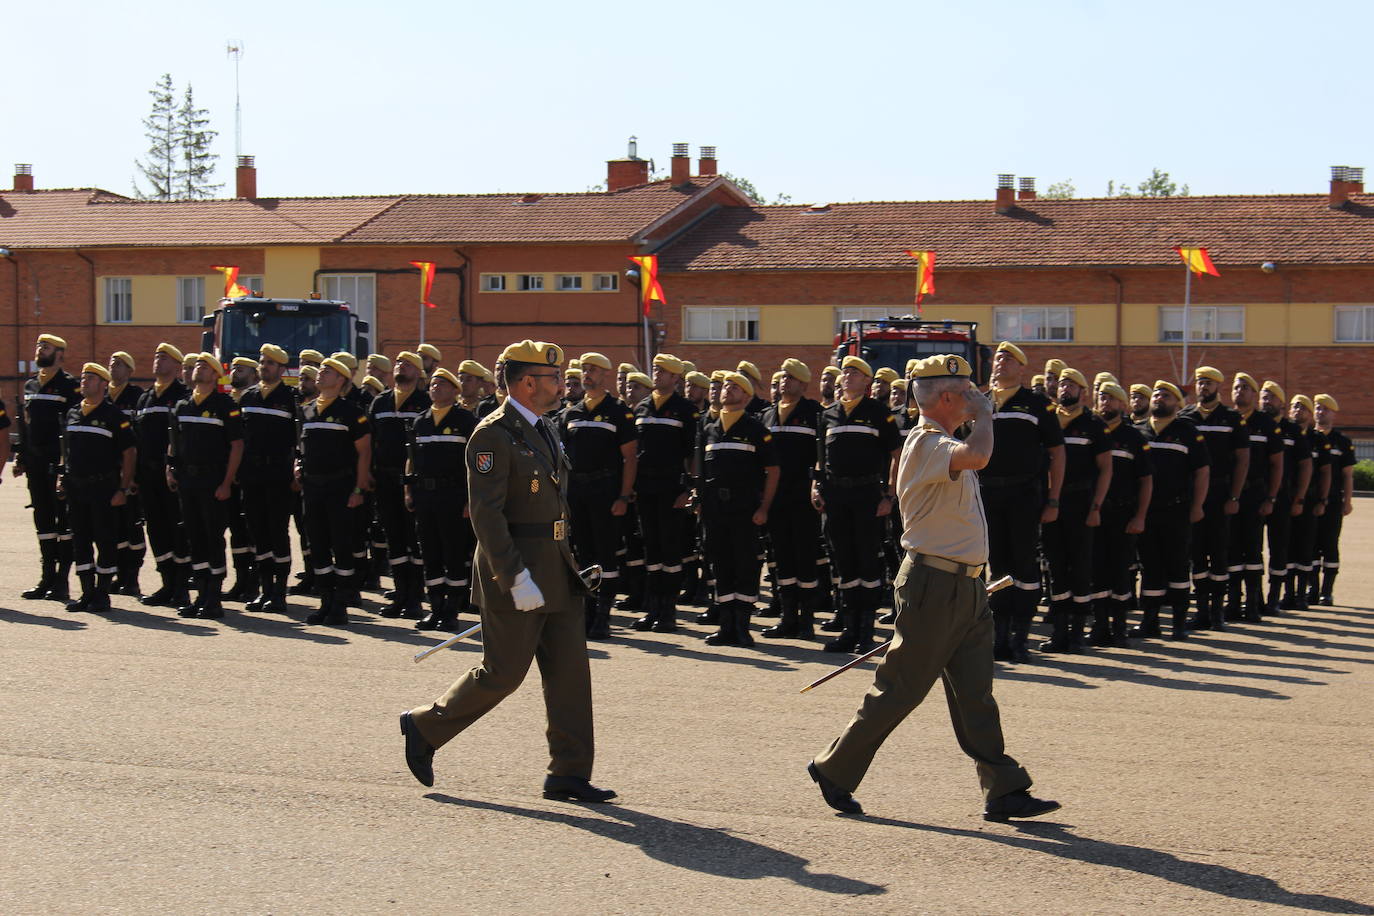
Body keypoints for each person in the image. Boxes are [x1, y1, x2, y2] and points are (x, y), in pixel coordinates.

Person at [807, 354, 1060, 822]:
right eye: (968, 392)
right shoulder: (926, 442)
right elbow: (980, 456)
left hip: (965, 585)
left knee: (975, 694)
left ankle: (1003, 788)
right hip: (935, 584)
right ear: (947, 397)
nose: (976, 398)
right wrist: (986, 416)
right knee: (900, 688)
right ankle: (835, 767)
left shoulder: (945, 442)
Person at [400, 339, 615, 804]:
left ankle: (569, 772)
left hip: (557, 567)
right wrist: (515, 577)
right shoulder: (493, 434)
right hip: (516, 570)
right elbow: (487, 516)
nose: (562, 384)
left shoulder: (545, 427)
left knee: (570, 676)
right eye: (553, 378)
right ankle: (425, 726)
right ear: (527, 382)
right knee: (503, 673)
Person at [980, 342, 1064, 662]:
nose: (1000, 362)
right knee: (997, 564)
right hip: (988, 494)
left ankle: (1021, 636)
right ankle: (999, 636)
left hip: (1024, 495)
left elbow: (1057, 453)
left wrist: (1053, 499)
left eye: (1008, 358)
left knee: (1024, 564)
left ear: (1021, 368)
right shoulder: (981, 402)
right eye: (998, 358)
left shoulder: (1037, 404)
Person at [813, 355, 902, 653]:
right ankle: (849, 630)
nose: (848, 376)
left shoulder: (878, 413)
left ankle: (866, 632)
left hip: (867, 496)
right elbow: (821, 457)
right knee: (844, 562)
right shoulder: (828, 415)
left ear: (867, 381)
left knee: (867, 561)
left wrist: (889, 495)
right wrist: (816, 486)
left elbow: (897, 456)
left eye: (855, 372)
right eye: (845, 372)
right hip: (836, 496)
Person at [693, 371, 779, 646]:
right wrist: (699, 499)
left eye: (735, 387)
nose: (727, 390)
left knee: (745, 565)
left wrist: (764, 507)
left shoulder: (756, 429)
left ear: (746, 396)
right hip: (715, 510)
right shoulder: (709, 428)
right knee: (720, 565)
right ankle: (726, 626)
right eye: (725, 386)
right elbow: (701, 470)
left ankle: (742, 626)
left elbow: (773, 470)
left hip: (744, 509)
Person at [557, 352, 637, 640]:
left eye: (592, 370)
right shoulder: (571, 413)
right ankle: (588, 612)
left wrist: (624, 496)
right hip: (577, 493)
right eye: (584, 370)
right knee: (583, 554)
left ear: (605, 374)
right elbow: (561, 460)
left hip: (605, 491)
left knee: (605, 554)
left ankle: (603, 615)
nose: (587, 374)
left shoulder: (618, 411)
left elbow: (630, 457)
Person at [1039, 368, 1111, 653]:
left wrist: (1096, 506)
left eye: (1072, 385)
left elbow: (1106, 469)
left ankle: (1078, 632)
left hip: (1081, 504)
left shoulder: (1093, 424)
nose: (1065, 389)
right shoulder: (1048, 419)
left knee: (1080, 567)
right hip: (1051, 503)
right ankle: (1059, 631)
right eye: (1062, 384)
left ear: (1083, 391)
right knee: (1056, 566)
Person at [168, 353, 244, 619]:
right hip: (188, 481)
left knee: (213, 538)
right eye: (196, 366)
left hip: (213, 481)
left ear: (215, 375)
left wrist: (227, 482)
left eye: (204, 366)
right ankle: (200, 595)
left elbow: (237, 446)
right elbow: (174, 440)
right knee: (195, 538)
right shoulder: (183, 404)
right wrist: (170, 467)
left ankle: (214, 598)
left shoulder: (225, 405)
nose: (198, 369)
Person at [297, 357, 372, 625]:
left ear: (341, 379)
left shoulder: (351, 412)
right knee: (317, 545)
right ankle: (325, 600)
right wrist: (298, 465)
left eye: (327, 371)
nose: (320, 374)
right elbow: (301, 448)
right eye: (320, 370)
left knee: (341, 546)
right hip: (312, 488)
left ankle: (341, 604)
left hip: (340, 487)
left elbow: (364, 453)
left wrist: (358, 489)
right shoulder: (306, 410)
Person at [1133, 381, 1209, 640]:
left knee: (1178, 566)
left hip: (1177, 510)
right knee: (1150, 566)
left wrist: (1197, 506)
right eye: (1156, 394)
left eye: (1166, 395)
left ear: (1177, 403)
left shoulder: (1187, 432)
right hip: (1146, 511)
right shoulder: (1139, 431)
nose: (1159, 398)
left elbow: (1202, 472)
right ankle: (1150, 621)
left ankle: (1178, 622)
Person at [58, 363, 137, 612]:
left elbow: (129, 452)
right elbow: (66, 449)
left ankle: (102, 594)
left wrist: (123, 489)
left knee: (105, 541)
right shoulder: (72, 412)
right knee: (80, 541)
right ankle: (86, 593)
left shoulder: (114, 415)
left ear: (104, 384)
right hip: (76, 488)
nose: (84, 381)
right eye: (83, 377)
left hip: (103, 488)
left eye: (91, 378)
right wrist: (62, 476)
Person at [630, 353, 699, 632]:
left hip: (672, 490)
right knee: (651, 549)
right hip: (645, 489)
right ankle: (653, 609)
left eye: (662, 371)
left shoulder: (685, 410)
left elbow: (693, 454)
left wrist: (690, 489)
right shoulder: (642, 407)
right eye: (655, 370)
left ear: (675, 378)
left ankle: (668, 612)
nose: (656, 375)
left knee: (670, 551)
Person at [407, 367, 478, 631]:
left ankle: (451, 612)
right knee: (430, 552)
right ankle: (435, 608)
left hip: (453, 496)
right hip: (425, 495)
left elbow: (475, 463)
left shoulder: (466, 420)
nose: (435, 388)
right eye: (433, 384)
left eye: (442, 384)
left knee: (453, 552)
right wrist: (409, 491)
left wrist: (470, 499)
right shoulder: (420, 421)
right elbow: (411, 459)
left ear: (454, 390)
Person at [1179, 367, 1249, 630]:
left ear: (1218, 386)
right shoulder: (1186, 417)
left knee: (1219, 552)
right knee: (1196, 552)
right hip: (1192, 494)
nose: (1203, 387)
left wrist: (1234, 496)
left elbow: (1243, 460)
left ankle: (1218, 610)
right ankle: (1201, 611)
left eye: (1208, 383)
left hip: (1220, 493)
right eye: (1200, 382)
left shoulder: (1231, 418)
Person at [760, 358, 824, 640]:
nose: (785, 382)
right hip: (775, 498)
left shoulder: (815, 413)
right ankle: (787, 618)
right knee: (782, 557)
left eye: (792, 378)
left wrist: (818, 487)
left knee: (805, 557)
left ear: (804, 384)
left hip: (803, 498)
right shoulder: (766, 416)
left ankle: (806, 620)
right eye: (783, 377)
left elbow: (822, 456)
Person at [17, 333, 81, 602]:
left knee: (63, 522)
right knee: (42, 519)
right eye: (38, 345)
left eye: (45, 347)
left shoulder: (70, 386)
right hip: (35, 463)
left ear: (60, 354)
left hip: (58, 463)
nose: (39, 349)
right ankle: (46, 577)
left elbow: (74, 427)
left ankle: (62, 580)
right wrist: (21, 456)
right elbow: (27, 423)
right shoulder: (31, 384)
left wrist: (67, 465)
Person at [236, 344, 299, 612]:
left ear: (282, 369)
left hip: (278, 476)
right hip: (252, 475)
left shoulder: (290, 398)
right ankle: (264, 590)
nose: (264, 367)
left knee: (277, 532)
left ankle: (279, 593)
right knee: (258, 533)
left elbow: (298, 440)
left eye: (270, 363)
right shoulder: (248, 397)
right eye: (262, 362)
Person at [370, 350, 431, 618]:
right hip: (384, 479)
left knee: (414, 540)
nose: (400, 366)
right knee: (393, 538)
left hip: (413, 482)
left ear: (418, 372)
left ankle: (415, 597)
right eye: (398, 363)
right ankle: (400, 594)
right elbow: (371, 440)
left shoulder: (425, 402)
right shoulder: (381, 402)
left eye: (407, 364)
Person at [1090, 383, 1151, 645]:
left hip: (1122, 513)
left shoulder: (1134, 437)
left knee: (1120, 571)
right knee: (1096, 570)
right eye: (1102, 398)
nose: (1106, 402)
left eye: (1112, 399)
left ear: (1122, 405)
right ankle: (1100, 626)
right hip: (1094, 513)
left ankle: (1119, 627)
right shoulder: (1091, 430)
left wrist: (1140, 516)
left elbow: (1146, 480)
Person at [134, 344, 191, 608]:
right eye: (157, 357)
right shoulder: (145, 398)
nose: (158, 361)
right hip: (147, 475)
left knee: (177, 529)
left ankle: (181, 587)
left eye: (165, 358)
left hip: (172, 476)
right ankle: (166, 583)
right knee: (156, 530)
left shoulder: (182, 396)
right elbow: (137, 439)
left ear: (178, 367)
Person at [1259, 380, 1309, 616]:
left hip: (1282, 498)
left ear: (1281, 402)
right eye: (1263, 396)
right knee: (1250, 548)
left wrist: (1299, 498)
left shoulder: (1292, 430)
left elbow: (1305, 466)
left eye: (1271, 397)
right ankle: (1255, 598)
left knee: (1279, 548)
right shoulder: (1252, 424)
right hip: (1254, 496)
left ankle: (1274, 598)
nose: (1266, 401)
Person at [107, 351, 147, 595]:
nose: (114, 367)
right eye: (112, 363)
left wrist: (133, 476)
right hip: (107, 471)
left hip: (129, 471)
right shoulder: (102, 395)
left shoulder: (136, 397)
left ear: (130, 371)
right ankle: (120, 573)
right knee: (114, 526)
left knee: (132, 525)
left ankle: (132, 577)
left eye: (120, 364)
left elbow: (139, 438)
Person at [1286, 394, 1329, 611]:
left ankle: (1302, 595)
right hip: (1285, 499)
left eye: (1303, 407)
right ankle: (1288, 594)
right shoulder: (1284, 433)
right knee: (1285, 547)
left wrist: (1322, 500)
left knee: (1305, 548)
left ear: (1310, 414)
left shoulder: (1318, 439)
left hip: (1309, 501)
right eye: (1295, 406)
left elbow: (1326, 472)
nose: (1298, 410)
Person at [1312, 394, 1355, 604]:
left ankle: (1326, 591)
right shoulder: (1307, 437)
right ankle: (1311, 589)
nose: (1321, 412)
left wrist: (1347, 501)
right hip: (1310, 500)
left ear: (1333, 414)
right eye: (1318, 408)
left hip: (1333, 501)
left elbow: (1347, 475)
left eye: (1325, 409)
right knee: (1309, 545)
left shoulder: (1342, 442)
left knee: (1329, 544)